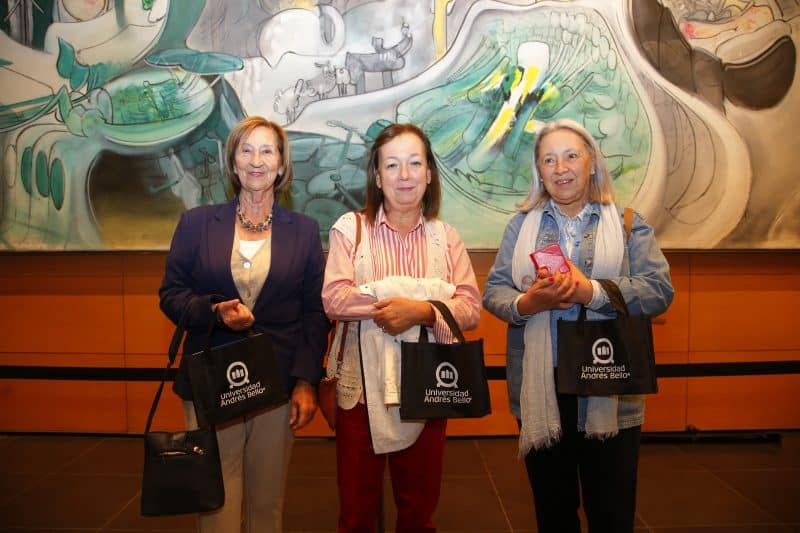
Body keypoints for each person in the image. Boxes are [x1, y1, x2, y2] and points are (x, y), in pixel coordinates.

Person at [483, 118, 674, 533]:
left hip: (608, 382)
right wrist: (528, 303)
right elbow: (494, 291)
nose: (561, 168)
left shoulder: (627, 224)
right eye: (549, 160)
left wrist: (592, 292)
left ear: (592, 163)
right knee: (554, 514)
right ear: (539, 171)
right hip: (541, 386)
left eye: (571, 156)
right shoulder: (521, 226)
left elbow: (659, 290)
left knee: (611, 514)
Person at [158, 116, 329, 532]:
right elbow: (171, 294)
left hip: (277, 383)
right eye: (246, 150)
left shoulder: (305, 232)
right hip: (210, 378)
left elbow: (315, 313)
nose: (256, 161)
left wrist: (306, 381)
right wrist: (215, 312)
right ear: (232, 162)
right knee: (215, 502)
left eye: (267, 151)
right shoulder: (196, 224)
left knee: (267, 505)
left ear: (281, 164)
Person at [322, 122, 481, 532]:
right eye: (392, 165)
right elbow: (334, 299)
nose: (404, 175)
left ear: (429, 173)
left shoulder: (446, 237)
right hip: (360, 392)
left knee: (418, 512)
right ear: (377, 176)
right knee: (356, 514)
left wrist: (421, 311)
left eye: (414, 163)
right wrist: (423, 295)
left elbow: (470, 308)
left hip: (426, 385)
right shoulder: (351, 229)